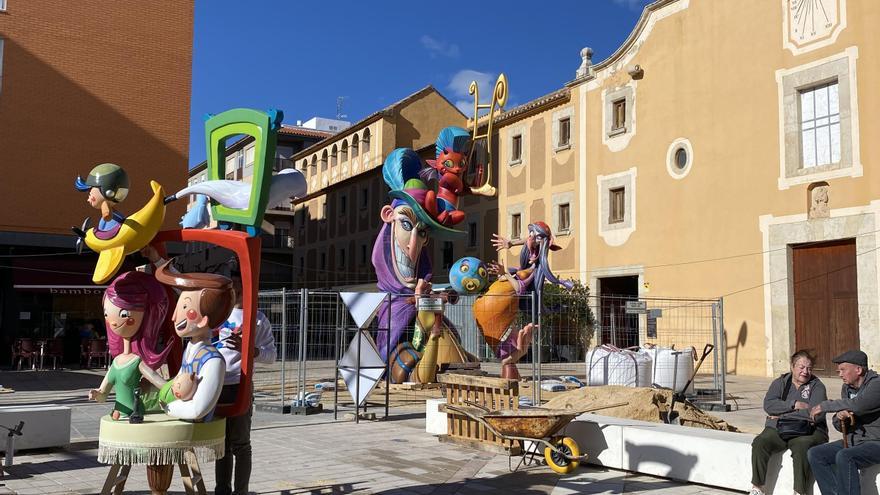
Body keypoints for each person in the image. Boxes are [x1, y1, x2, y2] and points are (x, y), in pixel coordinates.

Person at [213, 270, 276, 495]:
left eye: (239, 285)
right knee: (221, 444)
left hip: (240, 385)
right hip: (216, 386)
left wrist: (249, 349)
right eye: (232, 285)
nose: (235, 290)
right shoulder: (217, 315)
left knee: (240, 444)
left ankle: (241, 491)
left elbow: (271, 356)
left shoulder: (257, 318)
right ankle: (221, 490)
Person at [154, 260, 233, 421]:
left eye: (184, 307)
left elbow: (198, 409)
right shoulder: (190, 349)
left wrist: (168, 408)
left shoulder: (213, 361)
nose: (175, 317)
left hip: (199, 437)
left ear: (204, 320)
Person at [87, 271, 172, 420]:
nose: (113, 322)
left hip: (134, 416)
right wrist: (96, 393)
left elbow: (158, 382)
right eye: (107, 314)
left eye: (124, 314)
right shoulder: (116, 362)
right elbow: (102, 396)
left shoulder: (137, 362)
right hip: (118, 415)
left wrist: (176, 391)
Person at [749, 350, 827, 495]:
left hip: (809, 430)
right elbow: (769, 406)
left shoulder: (817, 386)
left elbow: (816, 413)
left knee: (801, 445)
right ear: (792, 366)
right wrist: (794, 404)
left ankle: (799, 491)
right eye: (801, 367)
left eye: (809, 368)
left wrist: (781, 416)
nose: (805, 371)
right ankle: (758, 487)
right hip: (781, 428)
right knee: (760, 442)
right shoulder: (780, 383)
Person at [807, 350, 880, 495]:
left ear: (858, 370)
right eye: (838, 370)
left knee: (845, 456)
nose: (840, 374)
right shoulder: (847, 388)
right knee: (816, 454)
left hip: (876, 442)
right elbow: (841, 422)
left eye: (843, 370)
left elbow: (858, 405)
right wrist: (839, 418)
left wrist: (824, 406)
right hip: (855, 441)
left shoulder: (877, 385)